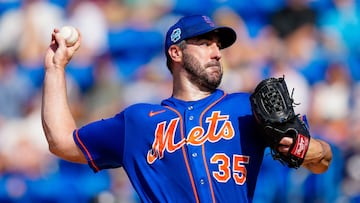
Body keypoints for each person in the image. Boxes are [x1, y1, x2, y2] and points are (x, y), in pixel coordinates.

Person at [42, 15, 332, 202]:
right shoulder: (139, 121)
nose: (217, 52)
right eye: (205, 43)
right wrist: (56, 68)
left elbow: (324, 159)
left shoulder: (245, 107)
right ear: (176, 52)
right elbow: (62, 142)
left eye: (218, 45)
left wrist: (308, 150)